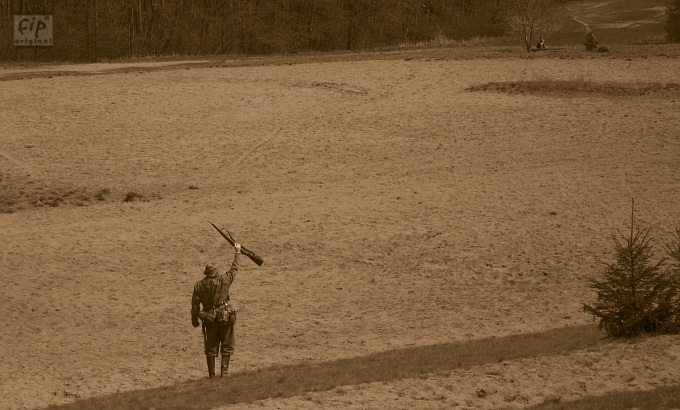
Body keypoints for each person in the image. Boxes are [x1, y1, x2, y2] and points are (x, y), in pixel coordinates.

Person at [191, 243, 242, 378]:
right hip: (225, 316)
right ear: (216, 272)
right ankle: (224, 373)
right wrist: (238, 253)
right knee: (227, 344)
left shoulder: (198, 286)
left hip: (209, 318)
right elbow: (234, 269)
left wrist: (195, 320)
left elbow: (195, 307)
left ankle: (212, 375)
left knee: (211, 347)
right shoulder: (224, 280)